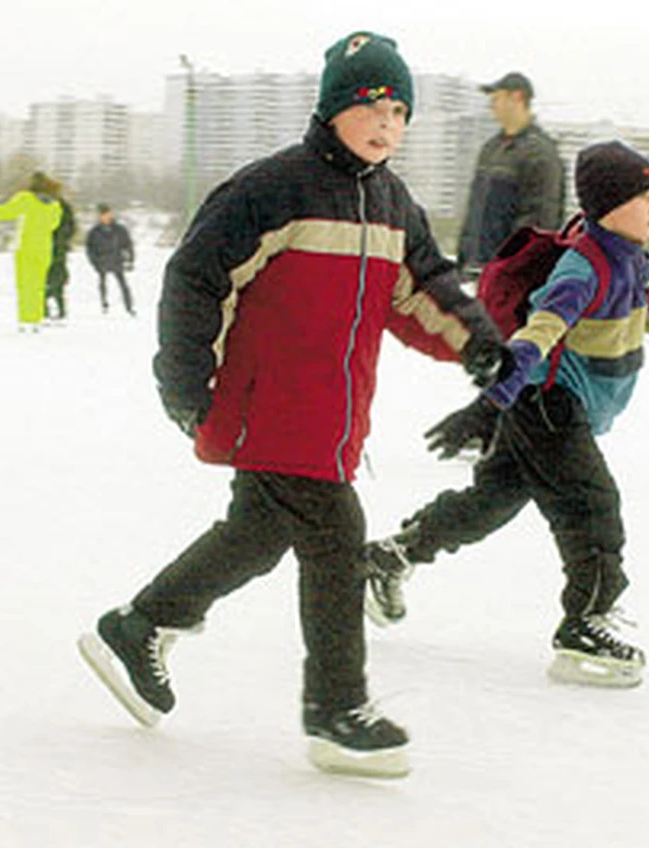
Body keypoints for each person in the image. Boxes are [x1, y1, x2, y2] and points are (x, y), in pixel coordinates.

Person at [76, 31, 505, 779]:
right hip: (266, 405)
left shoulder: (393, 202)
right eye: (372, 104)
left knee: (257, 534)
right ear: (335, 106)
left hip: (332, 416)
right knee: (338, 537)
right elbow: (195, 279)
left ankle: (138, 624)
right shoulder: (274, 188)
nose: (387, 123)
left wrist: (477, 341)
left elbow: (421, 291)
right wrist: (186, 385)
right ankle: (337, 713)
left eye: (400, 111)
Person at [361, 140, 649, 688]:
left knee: (491, 502)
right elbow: (536, 336)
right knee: (591, 504)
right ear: (609, 205)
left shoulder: (637, 267)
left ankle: (390, 557)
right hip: (549, 404)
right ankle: (585, 622)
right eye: (644, 196)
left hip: (545, 406)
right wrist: (492, 401)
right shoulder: (585, 268)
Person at [456, 72, 564, 279]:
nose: (492, 105)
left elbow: (541, 220)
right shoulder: (491, 148)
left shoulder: (540, 153)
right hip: (474, 270)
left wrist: (511, 269)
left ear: (518, 98)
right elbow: (475, 211)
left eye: (497, 98)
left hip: (508, 277)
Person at [0, 172, 63, 332]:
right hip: (44, 248)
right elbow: (54, 225)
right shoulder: (55, 205)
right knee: (38, 286)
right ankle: (36, 319)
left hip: (25, 247)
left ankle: (25, 320)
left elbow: (5, 212)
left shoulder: (25, 199)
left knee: (25, 285)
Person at [86, 204, 135, 315]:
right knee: (102, 283)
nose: (105, 217)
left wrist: (130, 259)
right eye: (102, 215)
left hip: (117, 260)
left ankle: (129, 306)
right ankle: (104, 304)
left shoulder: (120, 229)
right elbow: (90, 248)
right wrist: (94, 262)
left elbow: (128, 244)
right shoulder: (94, 231)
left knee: (123, 284)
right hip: (102, 261)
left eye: (107, 214)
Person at [43, 178, 76, 323]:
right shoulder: (63, 206)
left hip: (50, 247)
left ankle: (47, 308)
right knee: (57, 278)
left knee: (49, 279)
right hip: (58, 247)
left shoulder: (48, 206)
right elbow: (72, 227)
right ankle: (59, 309)